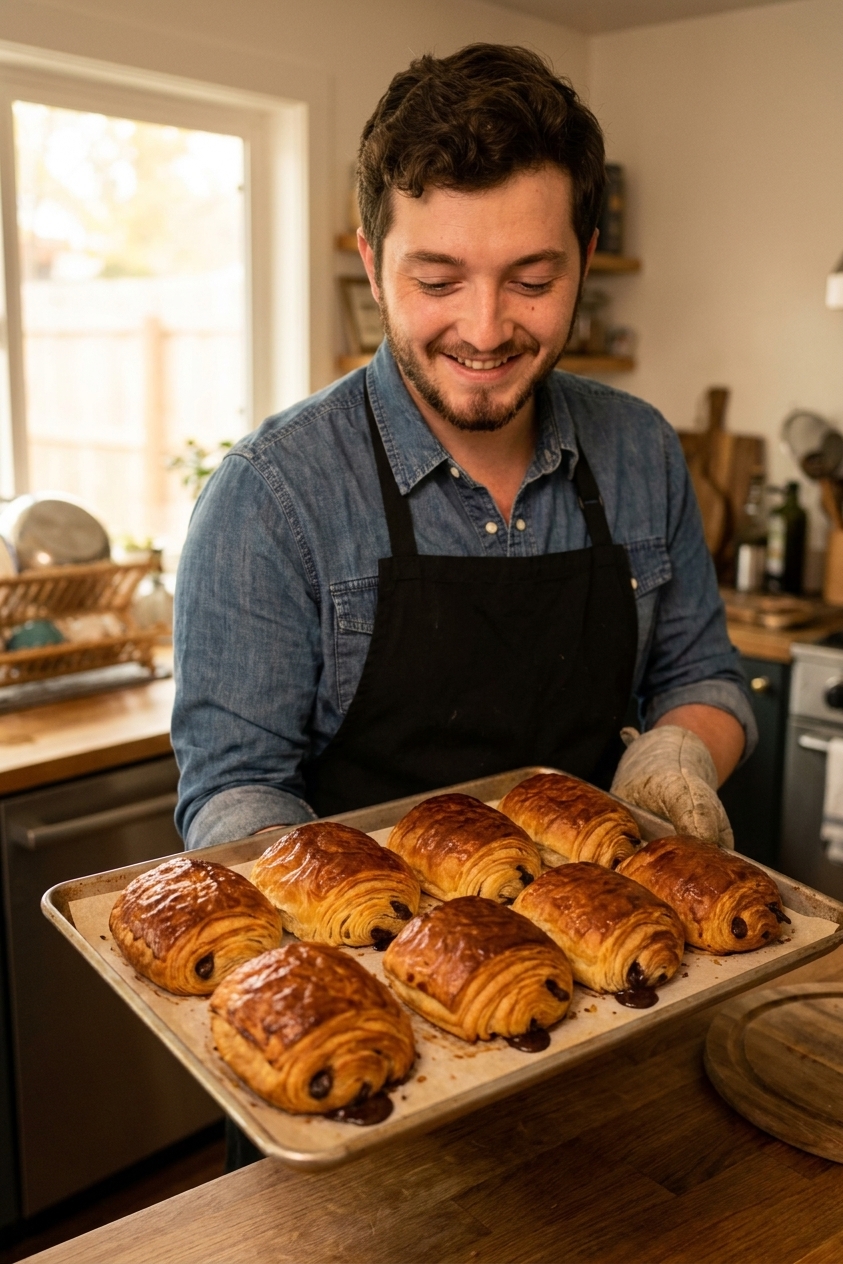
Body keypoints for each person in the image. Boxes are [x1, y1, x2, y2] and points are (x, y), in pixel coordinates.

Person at [173, 42, 755, 864]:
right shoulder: (270, 496)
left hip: (610, 942)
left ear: (584, 263)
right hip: (376, 966)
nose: (484, 332)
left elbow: (705, 679)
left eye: (531, 280)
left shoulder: (640, 450)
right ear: (374, 268)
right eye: (439, 282)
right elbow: (234, 791)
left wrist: (677, 754)